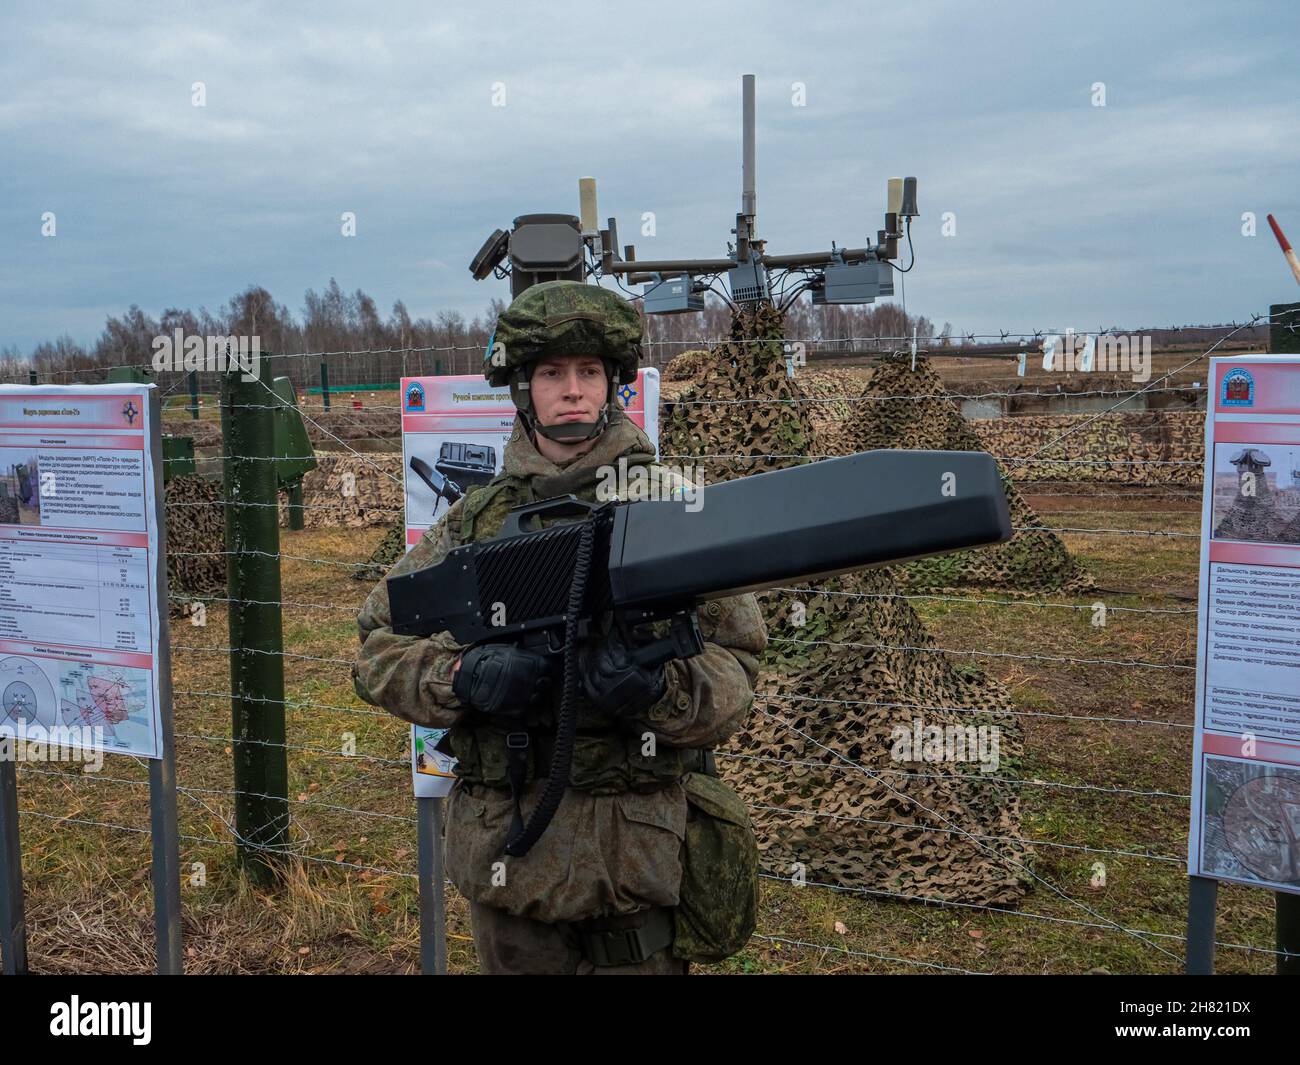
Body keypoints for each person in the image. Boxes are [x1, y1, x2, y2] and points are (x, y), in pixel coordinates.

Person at [352, 280, 767, 974]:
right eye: (551, 373)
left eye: (588, 372)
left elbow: (738, 668)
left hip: (635, 880)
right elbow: (377, 646)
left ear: (613, 385)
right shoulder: (473, 523)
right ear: (522, 388)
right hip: (513, 886)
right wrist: (462, 676)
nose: (572, 389)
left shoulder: (671, 512)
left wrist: (658, 688)